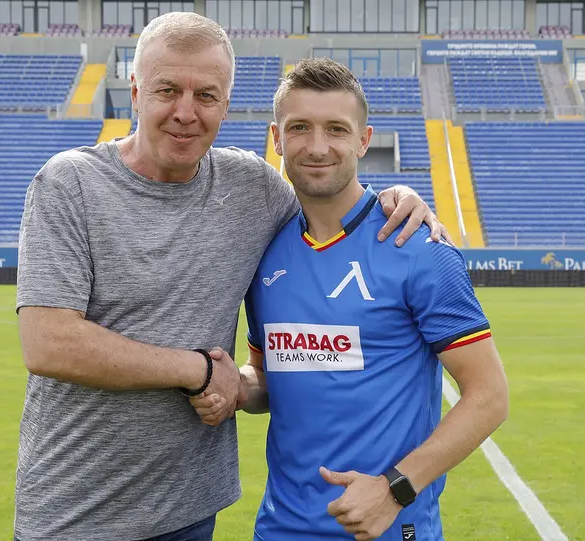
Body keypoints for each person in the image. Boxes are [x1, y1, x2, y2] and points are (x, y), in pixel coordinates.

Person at [14, 13, 448, 541]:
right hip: (76, 512)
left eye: (206, 96)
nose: (185, 112)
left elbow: (331, 196)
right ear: (135, 92)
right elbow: (49, 344)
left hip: (193, 508)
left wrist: (395, 198)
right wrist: (196, 370)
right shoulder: (70, 183)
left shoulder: (252, 190)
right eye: (167, 90)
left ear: (226, 105)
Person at [191, 58, 509, 541]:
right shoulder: (264, 253)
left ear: (363, 139)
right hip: (280, 529)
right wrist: (234, 386)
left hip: (390, 528)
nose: (317, 146)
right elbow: (270, 379)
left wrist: (394, 488)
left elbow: (489, 396)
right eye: (299, 127)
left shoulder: (419, 249)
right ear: (277, 138)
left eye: (336, 129)